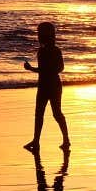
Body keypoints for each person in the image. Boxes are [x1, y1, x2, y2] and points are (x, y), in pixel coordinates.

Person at [23, 21, 70, 151]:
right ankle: (37, 141)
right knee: (41, 114)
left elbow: (58, 68)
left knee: (55, 113)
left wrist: (31, 69)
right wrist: (35, 69)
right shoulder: (48, 50)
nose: (38, 36)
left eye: (39, 34)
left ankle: (65, 139)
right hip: (47, 85)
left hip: (50, 85)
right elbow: (56, 68)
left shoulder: (51, 51)